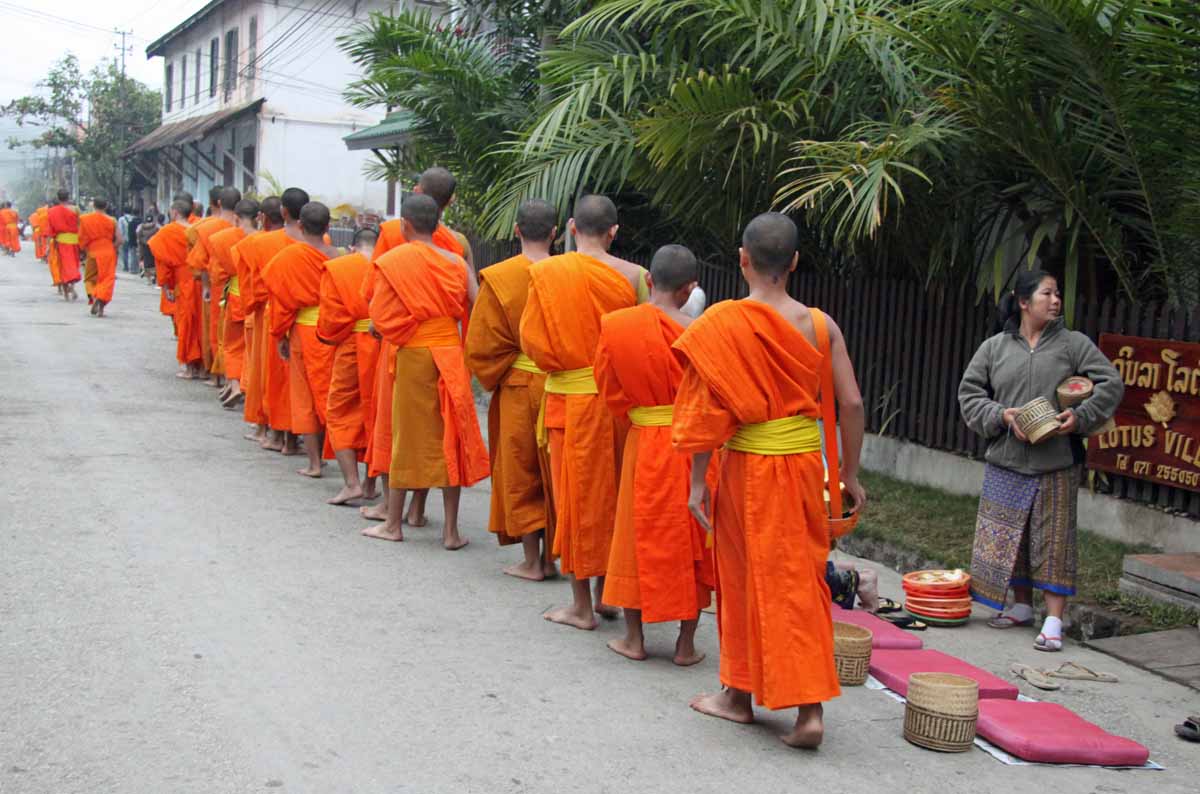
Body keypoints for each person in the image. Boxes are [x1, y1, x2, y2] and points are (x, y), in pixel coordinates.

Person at [672, 211, 867, 748]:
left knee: (739, 577)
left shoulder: (721, 323)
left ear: (742, 259)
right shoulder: (820, 325)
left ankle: (737, 697)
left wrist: (695, 484)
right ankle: (806, 711)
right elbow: (850, 403)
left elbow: (705, 414)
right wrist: (848, 473)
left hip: (744, 470)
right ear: (795, 262)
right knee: (799, 579)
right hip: (804, 469)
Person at [958, 268, 1122, 652]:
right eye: (1047, 293)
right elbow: (970, 393)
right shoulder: (995, 347)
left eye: (1057, 294)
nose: (1055, 300)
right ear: (1023, 301)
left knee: (1054, 539)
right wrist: (1002, 416)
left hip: (1056, 460)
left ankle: (1052, 620)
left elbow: (1110, 383)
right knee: (1010, 535)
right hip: (1006, 457)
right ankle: (1021, 607)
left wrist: (1078, 418)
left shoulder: (1073, 344)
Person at [519, 194, 648, 630]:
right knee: (613, 498)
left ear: (571, 227)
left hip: (569, 401)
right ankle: (609, 596)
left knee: (575, 500)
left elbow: (532, 343)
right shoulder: (635, 277)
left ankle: (581, 607)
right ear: (614, 232)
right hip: (619, 405)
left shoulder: (547, 273)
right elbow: (646, 338)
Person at [595, 244, 713, 665]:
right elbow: (714, 398)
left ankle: (634, 638)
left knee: (634, 534)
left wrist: (641, 414)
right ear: (690, 289)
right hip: (692, 445)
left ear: (648, 282)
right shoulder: (701, 333)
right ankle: (685, 645)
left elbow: (609, 390)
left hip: (644, 439)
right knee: (692, 538)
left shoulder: (618, 326)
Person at [362, 193, 489, 549]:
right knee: (451, 434)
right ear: (438, 225)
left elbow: (380, 319)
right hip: (449, 354)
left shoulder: (393, 261)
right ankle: (450, 532)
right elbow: (477, 304)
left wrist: (391, 328)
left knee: (406, 435)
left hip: (415, 355)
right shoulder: (456, 261)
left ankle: (393, 524)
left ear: (404, 226)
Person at [465, 199, 558, 581]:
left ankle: (533, 561)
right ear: (555, 233)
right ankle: (559, 555)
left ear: (516, 230)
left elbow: (480, 345)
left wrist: (497, 372)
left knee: (521, 469)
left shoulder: (501, 278)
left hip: (519, 384)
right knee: (557, 470)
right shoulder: (575, 273)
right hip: (562, 385)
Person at [262, 201, 340, 479]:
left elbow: (283, 300)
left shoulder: (290, 257)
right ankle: (341, 456)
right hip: (333, 331)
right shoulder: (338, 256)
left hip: (303, 330)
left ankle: (315, 464)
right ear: (328, 227)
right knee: (331, 392)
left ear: (301, 226)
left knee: (305, 394)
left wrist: (280, 333)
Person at [318, 226, 381, 505]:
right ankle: (370, 484)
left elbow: (331, 320)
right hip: (382, 344)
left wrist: (331, 338)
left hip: (352, 346)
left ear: (353, 248)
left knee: (340, 410)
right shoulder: (388, 264)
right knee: (377, 411)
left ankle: (351, 483)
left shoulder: (340, 268)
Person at [233, 196, 295, 452]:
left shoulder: (254, 243)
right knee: (288, 377)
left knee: (265, 372)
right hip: (299, 313)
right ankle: (287, 434)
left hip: (267, 312)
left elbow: (249, 285)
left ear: (264, 217)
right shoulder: (317, 242)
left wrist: (251, 307)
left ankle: (268, 429)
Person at [208, 198, 260, 410]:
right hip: (257, 298)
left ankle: (236, 383)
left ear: (236, 218)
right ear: (259, 218)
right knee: (252, 347)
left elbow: (216, 273)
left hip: (237, 295)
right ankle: (246, 387)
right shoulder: (265, 240)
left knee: (232, 345)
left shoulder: (222, 239)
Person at [150, 200, 201, 376]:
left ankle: (188, 366)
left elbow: (163, 262)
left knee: (185, 321)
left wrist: (165, 286)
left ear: (175, 212)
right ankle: (201, 365)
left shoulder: (167, 232)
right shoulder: (198, 229)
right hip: (201, 279)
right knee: (200, 322)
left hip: (182, 279)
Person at [187, 187, 232, 383]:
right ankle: (233, 377)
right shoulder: (246, 230)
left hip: (216, 284)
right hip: (241, 287)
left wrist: (205, 286)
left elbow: (199, 262)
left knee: (215, 328)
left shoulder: (205, 228)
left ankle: (216, 374)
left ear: (217, 203)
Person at [78, 198, 121, 317]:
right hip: (108, 252)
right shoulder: (112, 220)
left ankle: (94, 295)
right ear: (106, 206)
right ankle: (101, 307)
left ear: (93, 206)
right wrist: (112, 248)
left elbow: (82, 238)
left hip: (92, 250)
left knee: (90, 278)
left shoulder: (85, 219)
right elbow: (119, 239)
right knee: (106, 279)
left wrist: (84, 249)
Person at [46, 189, 82, 301]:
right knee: (73, 264)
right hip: (75, 240)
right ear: (68, 197)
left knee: (64, 266)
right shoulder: (75, 209)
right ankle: (72, 286)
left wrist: (49, 244)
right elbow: (80, 225)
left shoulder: (52, 211)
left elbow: (51, 228)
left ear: (58, 198)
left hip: (61, 240)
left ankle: (66, 293)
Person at [138, 211, 159, 281]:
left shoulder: (141, 227)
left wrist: (142, 241)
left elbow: (138, 235)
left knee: (146, 261)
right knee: (153, 261)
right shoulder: (156, 227)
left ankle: (148, 278)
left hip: (144, 246)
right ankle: (153, 275)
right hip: (153, 246)